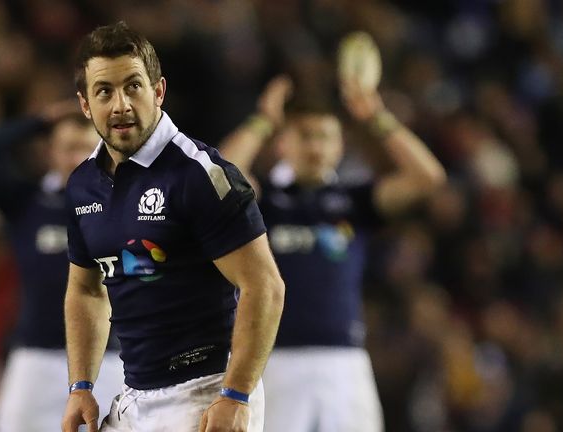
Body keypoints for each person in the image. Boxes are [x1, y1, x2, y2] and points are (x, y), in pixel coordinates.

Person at [61, 22, 285, 432]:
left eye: (133, 86)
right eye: (104, 92)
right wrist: (80, 385)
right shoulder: (81, 186)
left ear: (158, 91)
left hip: (205, 394)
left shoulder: (199, 174)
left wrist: (236, 396)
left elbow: (265, 286)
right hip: (134, 397)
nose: (120, 105)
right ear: (85, 104)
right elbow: (86, 290)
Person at [219, 67, 446, 431]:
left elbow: (427, 177)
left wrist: (375, 115)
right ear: (283, 142)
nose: (316, 147)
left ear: (340, 145)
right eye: (305, 135)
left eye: (326, 136)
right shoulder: (265, 203)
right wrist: (263, 119)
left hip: (345, 361)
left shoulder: (353, 202)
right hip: (272, 361)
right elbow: (216, 176)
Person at [0, 103, 124, 431]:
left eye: (86, 147)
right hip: (37, 356)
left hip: (107, 357)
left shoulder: (124, 203)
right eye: (68, 148)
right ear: (50, 152)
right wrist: (40, 120)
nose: (77, 157)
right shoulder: (28, 203)